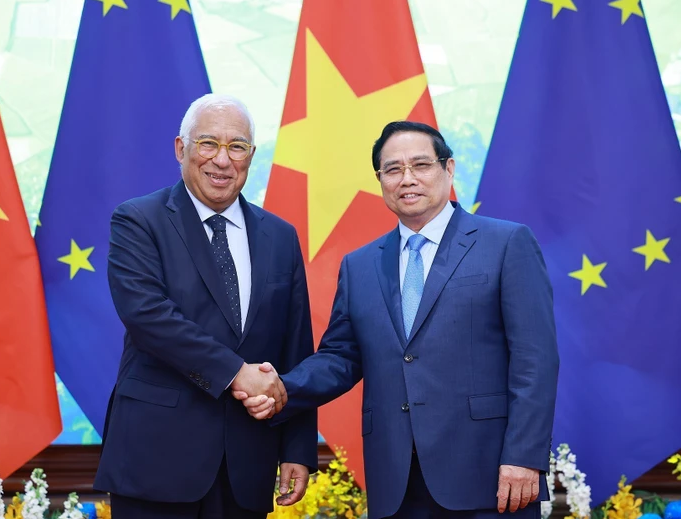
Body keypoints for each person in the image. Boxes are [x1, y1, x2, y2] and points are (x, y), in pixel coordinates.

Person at [236, 121, 559, 519]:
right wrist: (280, 387)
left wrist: (525, 456)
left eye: (420, 165)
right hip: (397, 482)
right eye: (393, 169)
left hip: (491, 476)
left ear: (449, 168)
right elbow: (340, 358)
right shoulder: (361, 265)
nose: (407, 178)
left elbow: (535, 360)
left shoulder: (506, 243)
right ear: (380, 180)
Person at [94, 94, 318, 519]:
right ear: (182, 149)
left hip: (247, 465)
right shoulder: (138, 220)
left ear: (251, 156)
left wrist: (298, 448)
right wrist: (236, 372)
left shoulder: (281, 236)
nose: (222, 159)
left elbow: (296, 347)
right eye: (208, 143)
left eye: (237, 146)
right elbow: (148, 316)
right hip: (156, 459)